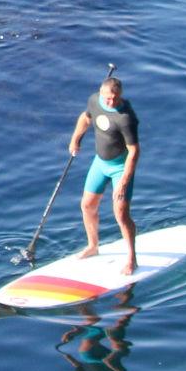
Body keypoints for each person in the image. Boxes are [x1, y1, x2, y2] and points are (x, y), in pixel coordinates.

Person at [67, 74, 138, 275]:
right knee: (87, 205)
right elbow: (85, 117)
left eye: (115, 98)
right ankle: (93, 246)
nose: (111, 102)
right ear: (101, 93)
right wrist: (76, 139)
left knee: (121, 214)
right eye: (108, 98)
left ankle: (132, 258)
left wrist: (124, 181)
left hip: (119, 168)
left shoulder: (126, 118)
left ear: (120, 96)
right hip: (100, 163)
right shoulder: (94, 100)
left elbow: (134, 151)